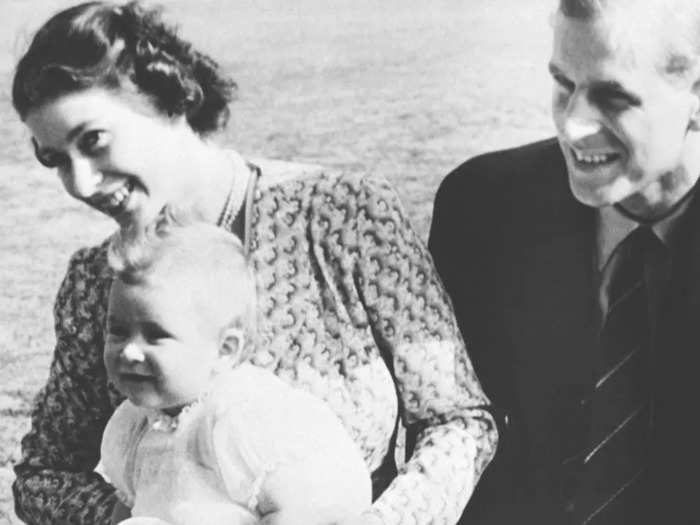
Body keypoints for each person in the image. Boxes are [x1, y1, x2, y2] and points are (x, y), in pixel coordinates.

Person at [11, 2, 497, 524]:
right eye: (56, 159)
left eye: (94, 141)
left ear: (169, 102)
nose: (80, 183)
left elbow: (458, 422)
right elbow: (45, 473)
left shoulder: (344, 216)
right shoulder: (96, 282)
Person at [429, 0, 700, 523]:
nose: (573, 127)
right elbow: (450, 433)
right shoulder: (481, 209)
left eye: (613, 98)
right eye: (563, 84)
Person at [99, 214, 371, 525]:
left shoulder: (245, 420)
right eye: (117, 331)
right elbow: (132, 507)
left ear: (224, 351)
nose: (129, 351)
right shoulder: (135, 427)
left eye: (156, 335)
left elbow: (307, 509)